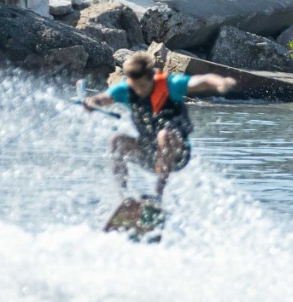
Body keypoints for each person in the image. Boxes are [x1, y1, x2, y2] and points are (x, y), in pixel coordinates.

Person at [82, 52, 237, 199]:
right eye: (134, 85)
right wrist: (92, 102)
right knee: (117, 141)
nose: (138, 90)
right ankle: (123, 197)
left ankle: (157, 196)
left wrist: (221, 83)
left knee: (164, 134)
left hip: (177, 153)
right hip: (148, 153)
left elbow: (203, 80)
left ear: (151, 77)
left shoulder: (170, 85)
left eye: (142, 85)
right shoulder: (126, 89)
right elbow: (104, 98)